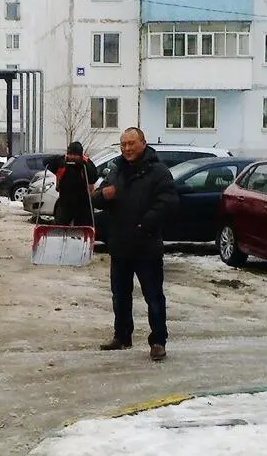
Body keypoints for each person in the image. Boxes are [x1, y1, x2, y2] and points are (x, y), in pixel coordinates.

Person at [91, 127, 178, 361]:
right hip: (120, 245)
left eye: (131, 143)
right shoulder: (117, 170)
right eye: (123, 144)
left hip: (146, 246)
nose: (127, 148)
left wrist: (144, 225)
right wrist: (102, 196)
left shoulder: (158, 171)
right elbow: (98, 197)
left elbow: (168, 202)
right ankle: (122, 336)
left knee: (153, 297)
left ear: (143, 143)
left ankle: (158, 341)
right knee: (120, 295)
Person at [43, 141, 98, 226]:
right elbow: (45, 162)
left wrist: (84, 166)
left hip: (83, 202)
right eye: (70, 154)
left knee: (83, 226)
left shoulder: (85, 163)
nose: (72, 157)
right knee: (60, 226)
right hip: (65, 201)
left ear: (80, 155)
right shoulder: (62, 162)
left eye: (75, 155)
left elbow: (93, 177)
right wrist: (59, 161)